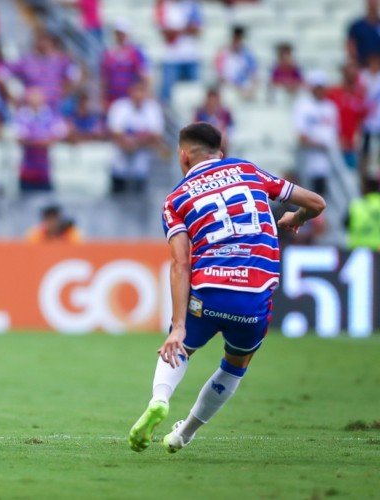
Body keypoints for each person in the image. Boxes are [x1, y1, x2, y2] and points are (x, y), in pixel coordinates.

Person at [127, 122, 326, 454]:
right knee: (236, 363)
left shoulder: (175, 199)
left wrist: (178, 326)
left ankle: (160, 399)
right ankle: (184, 434)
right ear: (220, 152)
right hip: (253, 295)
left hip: (208, 292)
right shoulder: (248, 171)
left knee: (182, 349)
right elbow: (317, 202)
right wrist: (296, 218)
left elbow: (180, 263)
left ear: (184, 155)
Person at [107, 79, 164, 194]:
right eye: (136, 91)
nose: (138, 95)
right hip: (121, 156)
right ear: (130, 91)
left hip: (142, 157)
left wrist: (135, 143)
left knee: (140, 192)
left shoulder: (152, 108)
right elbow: (114, 132)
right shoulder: (120, 107)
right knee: (118, 192)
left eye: (141, 91)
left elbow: (157, 135)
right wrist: (130, 143)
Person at [292, 71, 339, 195]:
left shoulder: (330, 107)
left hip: (327, 159)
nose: (319, 90)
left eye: (321, 87)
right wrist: (321, 144)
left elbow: (334, 133)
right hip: (308, 158)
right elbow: (301, 136)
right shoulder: (303, 105)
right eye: (317, 87)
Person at [14, 87, 68, 192]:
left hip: (45, 172)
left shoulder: (50, 115)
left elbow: (59, 135)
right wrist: (42, 141)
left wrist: (33, 140)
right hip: (27, 171)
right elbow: (20, 139)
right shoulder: (22, 115)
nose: (35, 100)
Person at [12, 32, 80, 111]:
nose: (42, 44)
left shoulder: (62, 60)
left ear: (51, 43)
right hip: (30, 107)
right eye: (40, 40)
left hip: (54, 107)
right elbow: (3, 71)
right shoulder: (27, 60)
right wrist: (13, 95)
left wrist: (63, 91)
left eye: (45, 41)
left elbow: (76, 76)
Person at [156, 0, 203, 102]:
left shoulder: (191, 4)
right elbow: (165, 32)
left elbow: (197, 30)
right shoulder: (164, 4)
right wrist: (186, 28)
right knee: (166, 96)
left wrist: (177, 29)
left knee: (195, 95)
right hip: (171, 58)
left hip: (190, 57)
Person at [99, 18, 149, 108]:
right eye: (118, 33)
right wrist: (103, 99)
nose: (120, 36)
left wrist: (143, 95)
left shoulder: (135, 52)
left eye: (122, 34)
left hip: (130, 99)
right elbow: (104, 79)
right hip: (112, 98)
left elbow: (143, 75)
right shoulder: (107, 54)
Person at [326, 61, 368, 169]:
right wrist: (337, 138)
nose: (352, 76)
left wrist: (357, 137)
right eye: (349, 73)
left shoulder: (360, 96)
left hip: (352, 144)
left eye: (354, 74)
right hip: (335, 141)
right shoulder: (333, 93)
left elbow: (360, 119)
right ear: (344, 73)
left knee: (351, 176)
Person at [214, 26, 257, 100]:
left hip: (243, 86)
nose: (237, 41)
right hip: (228, 86)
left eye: (239, 38)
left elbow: (253, 74)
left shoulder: (248, 54)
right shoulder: (223, 52)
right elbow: (219, 73)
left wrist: (252, 89)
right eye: (236, 38)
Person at [346, 177, 380, 249]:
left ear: (366, 188)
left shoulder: (356, 205)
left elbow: (345, 224)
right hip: (378, 248)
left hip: (358, 249)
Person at [348, 0, 380, 67]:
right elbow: (351, 45)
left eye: (374, 3)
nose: (373, 6)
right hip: (362, 66)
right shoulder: (357, 26)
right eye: (371, 3)